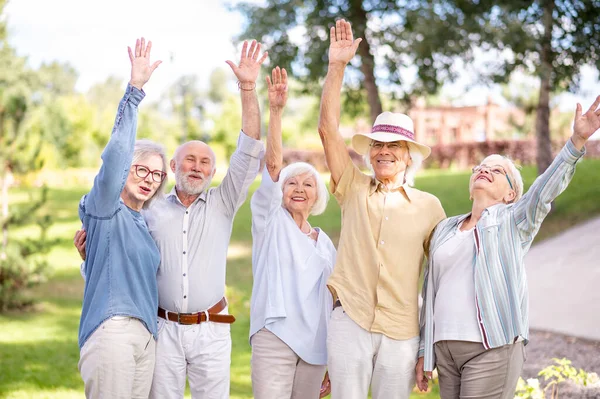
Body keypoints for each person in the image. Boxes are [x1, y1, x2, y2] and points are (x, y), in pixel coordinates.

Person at [75, 40, 267, 399]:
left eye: (205, 162)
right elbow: (118, 249)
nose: (196, 166)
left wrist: (247, 88)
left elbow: (250, 146)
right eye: (188, 160)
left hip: (211, 329)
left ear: (213, 170)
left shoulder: (224, 202)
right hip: (160, 329)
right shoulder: (147, 209)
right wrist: (91, 255)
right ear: (173, 169)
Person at [415, 96, 600, 399]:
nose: (483, 170)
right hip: (446, 352)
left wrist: (577, 141)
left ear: (511, 194)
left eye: (496, 171)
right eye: (480, 168)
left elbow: (542, 192)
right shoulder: (445, 229)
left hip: (491, 348)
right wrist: (425, 349)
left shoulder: (513, 221)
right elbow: (430, 289)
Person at [317, 19, 446, 399]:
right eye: (377, 144)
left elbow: (438, 280)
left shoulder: (429, 207)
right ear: (369, 152)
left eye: (394, 146)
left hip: (403, 331)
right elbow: (327, 129)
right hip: (350, 320)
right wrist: (337, 67)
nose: (384, 151)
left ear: (408, 157)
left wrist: (428, 349)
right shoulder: (353, 186)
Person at [77, 38, 166, 398]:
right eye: (141, 169)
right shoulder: (105, 206)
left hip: (146, 336)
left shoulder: (143, 223)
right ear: (126, 171)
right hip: (112, 331)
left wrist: (90, 256)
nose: (149, 178)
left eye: (157, 175)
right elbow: (115, 157)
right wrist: (135, 91)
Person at [248, 66, 336, 399]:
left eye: (308, 183)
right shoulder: (271, 220)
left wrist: (332, 357)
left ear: (318, 196)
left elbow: (333, 300)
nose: (299, 188)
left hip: (315, 345)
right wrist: (275, 112)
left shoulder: (325, 244)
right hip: (275, 334)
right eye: (291, 183)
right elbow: (272, 167)